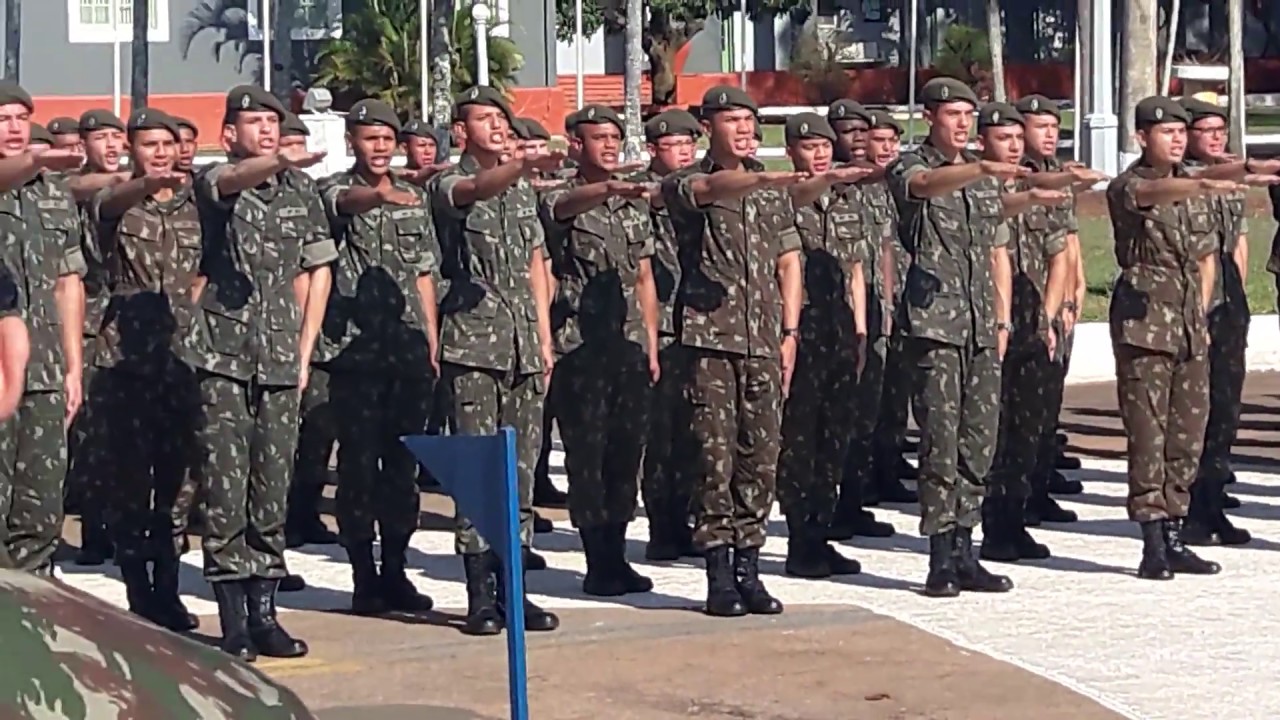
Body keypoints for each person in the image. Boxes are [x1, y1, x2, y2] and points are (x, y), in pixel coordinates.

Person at [886, 78, 1062, 597]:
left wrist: (1031, 197)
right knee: (940, 441)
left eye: (968, 114)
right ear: (930, 116)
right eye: (952, 114)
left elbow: (993, 237)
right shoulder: (913, 166)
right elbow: (921, 190)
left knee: (978, 441)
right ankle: (940, 554)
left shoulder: (985, 183)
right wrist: (982, 169)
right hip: (935, 325)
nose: (962, 123)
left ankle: (967, 548)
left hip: (981, 324)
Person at [184, 85, 334, 659]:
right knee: (226, 488)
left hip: (277, 356)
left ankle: (265, 613)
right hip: (223, 355)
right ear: (230, 135)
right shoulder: (216, 180)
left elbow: (311, 270)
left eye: (272, 123)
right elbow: (225, 187)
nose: (267, 130)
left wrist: (302, 350)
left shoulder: (301, 191)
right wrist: (273, 161)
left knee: (271, 487)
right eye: (253, 123)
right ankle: (232, 622)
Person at [663, 85, 804, 617]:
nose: (745, 129)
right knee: (713, 457)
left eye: (750, 120)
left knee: (760, 459)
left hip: (764, 341)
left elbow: (790, 261)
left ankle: (751, 565)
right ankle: (718, 572)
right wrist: (761, 179)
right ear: (708, 127)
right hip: (711, 341)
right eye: (732, 120)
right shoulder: (687, 182)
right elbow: (705, 191)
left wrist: (789, 333)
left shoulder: (770, 192)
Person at [1105, 95, 1259, 580]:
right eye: (1164, 131)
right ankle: (1152, 539)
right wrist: (1204, 180)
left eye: (1179, 131)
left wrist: (1202, 312)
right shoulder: (1130, 186)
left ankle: (1176, 531)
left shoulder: (1193, 189)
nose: (1174, 138)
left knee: (1187, 435)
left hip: (1189, 325)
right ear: (1141, 138)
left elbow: (1207, 257)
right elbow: (1154, 195)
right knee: (1148, 433)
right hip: (1145, 324)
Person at [429, 86, 562, 637]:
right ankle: (480, 595)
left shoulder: (521, 193)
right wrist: (518, 168)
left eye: (502, 118)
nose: (497, 127)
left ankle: (515, 591)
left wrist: (545, 337)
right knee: (479, 472)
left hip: (523, 348)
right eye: (484, 119)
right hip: (474, 348)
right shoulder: (448, 182)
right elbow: (475, 188)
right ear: (462, 131)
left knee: (521, 476)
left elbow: (536, 265)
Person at [318, 98, 441, 615]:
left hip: (407, 352)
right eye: (370, 138)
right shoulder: (333, 190)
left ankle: (395, 568)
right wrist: (382, 195)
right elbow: (349, 203)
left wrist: (432, 340)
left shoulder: (413, 197)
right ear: (352, 141)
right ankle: (363, 576)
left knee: (402, 470)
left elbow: (423, 273)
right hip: (356, 356)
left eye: (388, 138)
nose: (381, 146)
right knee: (358, 469)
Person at [87, 109, 202, 632]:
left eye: (168, 144)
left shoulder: (198, 203)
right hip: (125, 362)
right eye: (149, 144)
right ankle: (139, 591)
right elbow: (106, 206)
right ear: (132, 149)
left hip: (182, 359)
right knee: (131, 483)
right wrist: (142, 183)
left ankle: (169, 587)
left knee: (177, 485)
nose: (161, 152)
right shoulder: (117, 203)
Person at [540, 105, 661, 596]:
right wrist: (607, 189)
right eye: (599, 138)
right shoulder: (561, 197)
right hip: (580, 349)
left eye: (615, 137)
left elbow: (645, 276)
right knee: (587, 455)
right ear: (576, 145)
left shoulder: (632, 206)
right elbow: (563, 210)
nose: (609, 146)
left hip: (628, 346)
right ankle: (597, 558)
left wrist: (650, 342)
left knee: (625, 454)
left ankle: (618, 548)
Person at [974, 102, 1089, 562]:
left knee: (1027, 430)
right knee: (989, 434)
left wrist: (1048, 314)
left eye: (1018, 139)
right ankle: (982, 526)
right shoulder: (973, 187)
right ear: (983, 140)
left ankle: (1013, 520)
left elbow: (1060, 249)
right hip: (985, 325)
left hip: (1030, 325)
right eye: (1006, 138)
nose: (1016, 146)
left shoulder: (1038, 185)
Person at [774, 112, 873, 579]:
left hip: (838, 331)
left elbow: (855, 269)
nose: (819, 154)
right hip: (804, 330)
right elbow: (800, 193)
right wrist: (825, 178)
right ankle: (800, 539)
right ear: (792, 149)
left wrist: (861, 331)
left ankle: (822, 531)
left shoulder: (845, 200)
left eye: (825, 147)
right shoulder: (785, 195)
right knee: (800, 439)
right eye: (810, 147)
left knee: (834, 437)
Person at [0, 80, 90, 574]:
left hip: (45, 370)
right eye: (2, 118)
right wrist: (36, 161)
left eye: (20, 116)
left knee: (40, 507)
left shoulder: (53, 195)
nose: (14, 127)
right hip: (0, 372)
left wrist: (73, 367)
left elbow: (67, 283)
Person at [1178, 96, 1257, 547]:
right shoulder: (1186, 179)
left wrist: (1237, 297)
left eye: (1220, 130)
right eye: (1206, 130)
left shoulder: (1228, 183)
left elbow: (1238, 243)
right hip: (1193, 305)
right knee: (1194, 413)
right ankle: (1188, 508)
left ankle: (1212, 502)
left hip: (1229, 306)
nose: (1215, 137)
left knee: (1225, 409)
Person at [635, 109, 701, 562]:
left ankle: (689, 518)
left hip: (699, 326)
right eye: (673, 146)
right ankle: (663, 525)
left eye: (688, 145)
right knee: (660, 435)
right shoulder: (639, 194)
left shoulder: (701, 192)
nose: (682, 154)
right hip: (660, 329)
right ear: (654, 149)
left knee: (696, 434)